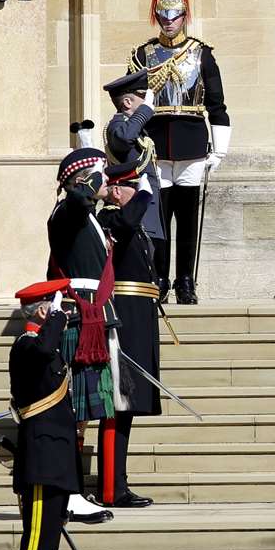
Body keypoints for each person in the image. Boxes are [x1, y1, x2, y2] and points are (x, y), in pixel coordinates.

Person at [126, 0, 229, 304]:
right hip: (155, 145)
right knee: (157, 219)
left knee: (187, 220)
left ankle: (186, 280)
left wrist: (219, 148)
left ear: (184, 16)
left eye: (174, 16)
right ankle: (159, 280)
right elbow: (130, 101)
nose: (168, 22)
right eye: (163, 16)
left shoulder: (201, 54)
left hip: (191, 144)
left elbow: (216, 104)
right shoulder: (143, 54)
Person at [47, 148, 137, 526]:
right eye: (101, 173)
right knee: (74, 413)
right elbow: (74, 206)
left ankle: (74, 492)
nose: (108, 181)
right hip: (79, 318)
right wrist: (86, 186)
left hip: (95, 317)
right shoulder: (66, 214)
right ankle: (68, 493)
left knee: (85, 412)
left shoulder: (92, 219)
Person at [8, 280, 83, 550]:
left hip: (55, 467)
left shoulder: (47, 348)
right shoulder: (26, 346)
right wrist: (53, 319)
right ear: (41, 310)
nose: (63, 314)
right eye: (55, 307)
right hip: (40, 466)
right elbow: (41, 349)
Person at [93, 158, 162, 509]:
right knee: (117, 405)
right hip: (124, 319)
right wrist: (142, 196)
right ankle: (111, 488)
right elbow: (125, 220)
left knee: (127, 408)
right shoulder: (109, 219)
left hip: (140, 320)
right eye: (137, 186)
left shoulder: (129, 222)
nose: (144, 195)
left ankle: (117, 483)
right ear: (118, 189)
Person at [103, 70, 166, 245]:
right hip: (135, 213)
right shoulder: (117, 127)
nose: (147, 101)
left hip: (148, 214)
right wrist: (145, 110)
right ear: (128, 102)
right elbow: (124, 138)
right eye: (143, 97)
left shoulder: (137, 129)